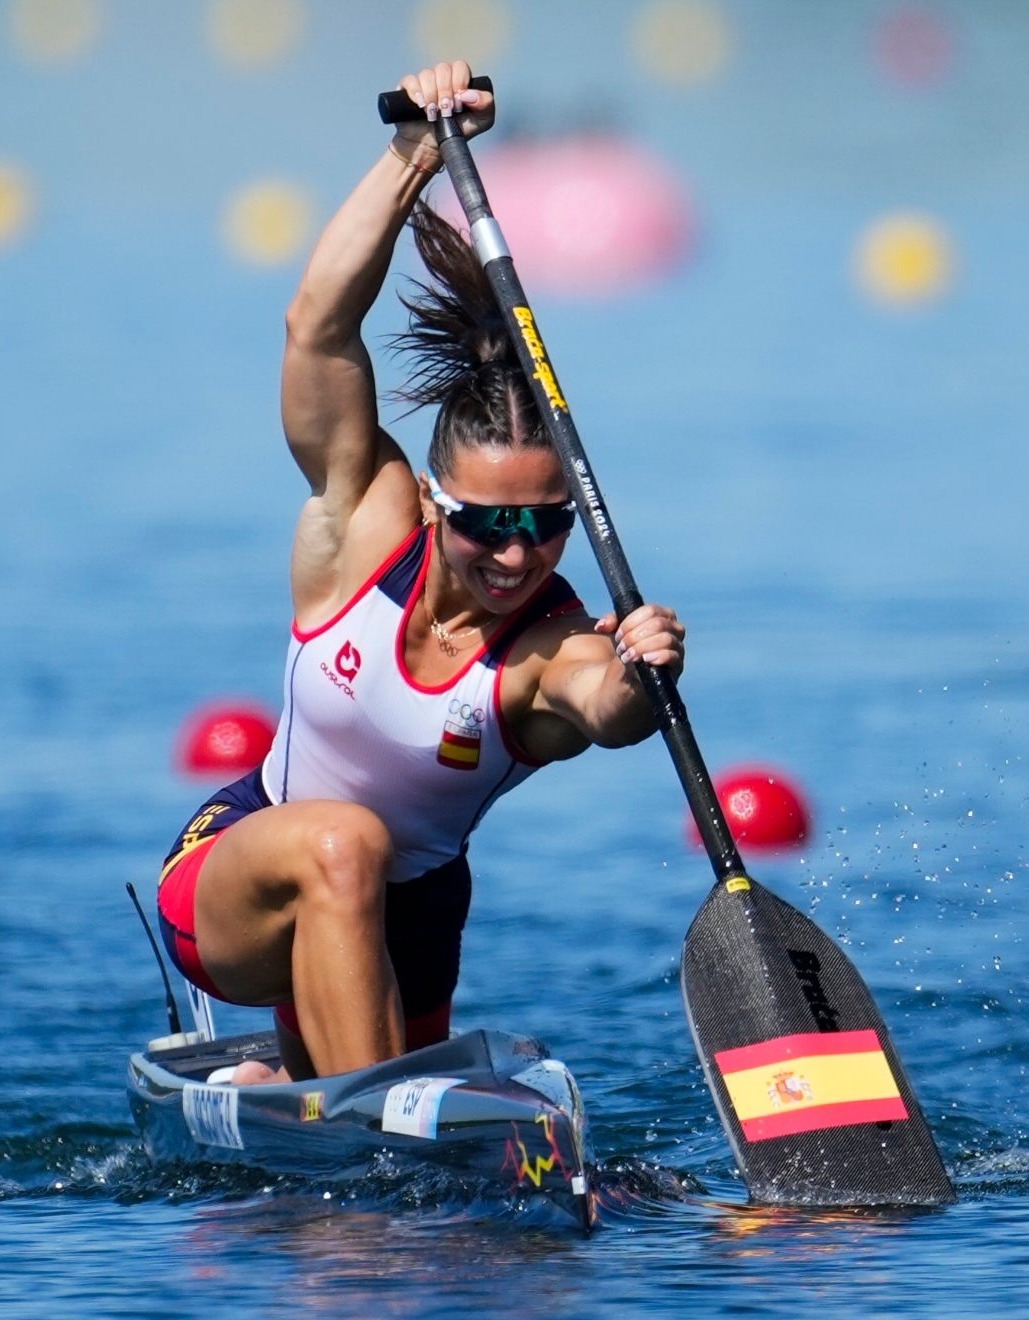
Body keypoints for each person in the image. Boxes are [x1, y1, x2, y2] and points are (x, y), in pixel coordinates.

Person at [155, 62, 685, 1084]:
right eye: (490, 523)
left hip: (414, 929)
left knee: (461, 1241)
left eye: (547, 523)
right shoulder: (367, 520)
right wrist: (416, 150)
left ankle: (302, 1089)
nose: (519, 552)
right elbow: (316, 326)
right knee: (344, 842)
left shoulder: (548, 646)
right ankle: (356, 1126)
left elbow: (603, 704)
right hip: (244, 872)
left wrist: (643, 672)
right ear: (438, 504)